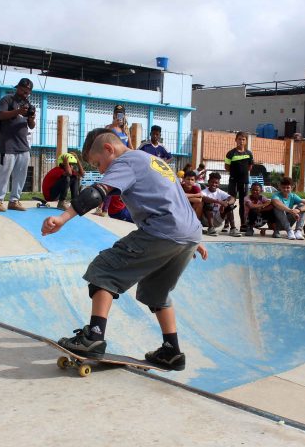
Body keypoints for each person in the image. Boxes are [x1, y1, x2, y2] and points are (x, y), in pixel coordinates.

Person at [42, 128, 207, 371]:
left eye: (98, 163)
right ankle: (171, 351)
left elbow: (97, 193)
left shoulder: (126, 160)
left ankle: (94, 337)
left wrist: (63, 218)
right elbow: (176, 198)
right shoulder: (155, 161)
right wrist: (192, 237)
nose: (101, 171)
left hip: (162, 231)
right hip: (187, 233)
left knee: (103, 269)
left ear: (109, 149)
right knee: (156, 291)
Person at [0, 78, 36, 212]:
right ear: (18, 88)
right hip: (8, 145)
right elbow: (1, 116)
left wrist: (31, 118)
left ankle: (14, 200)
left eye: (28, 92)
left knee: (21, 175)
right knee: (4, 173)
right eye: (23, 91)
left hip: (23, 146)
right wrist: (18, 111)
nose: (25, 94)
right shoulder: (7, 100)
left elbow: (31, 126)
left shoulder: (27, 104)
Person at [224, 131, 253, 232]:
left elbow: (250, 167)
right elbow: (226, 167)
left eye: (243, 139)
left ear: (246, 141)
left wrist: (242, 174)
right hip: (233, 181)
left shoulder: (249, 153)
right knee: (231, 201)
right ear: (236, 140)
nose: (241, 141)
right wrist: (235, 174)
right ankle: (227, 224)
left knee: (243, 203)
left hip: (244, 182)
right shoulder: (231, 153)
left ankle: (243, 224)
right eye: (239, 139)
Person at [200, 172, 241, 237]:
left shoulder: (220, 192)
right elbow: (204, 198)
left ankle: (233, 229)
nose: (214, 184)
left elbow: (233, 198)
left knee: (230, 206)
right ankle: (211, 228)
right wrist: (219, 202)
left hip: (217, 219)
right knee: (208, 203)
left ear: (219, 184)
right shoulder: (204, 191)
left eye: (216, 183)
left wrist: (226, 203)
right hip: (206, 220)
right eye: (212, 182)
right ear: (208, 182)